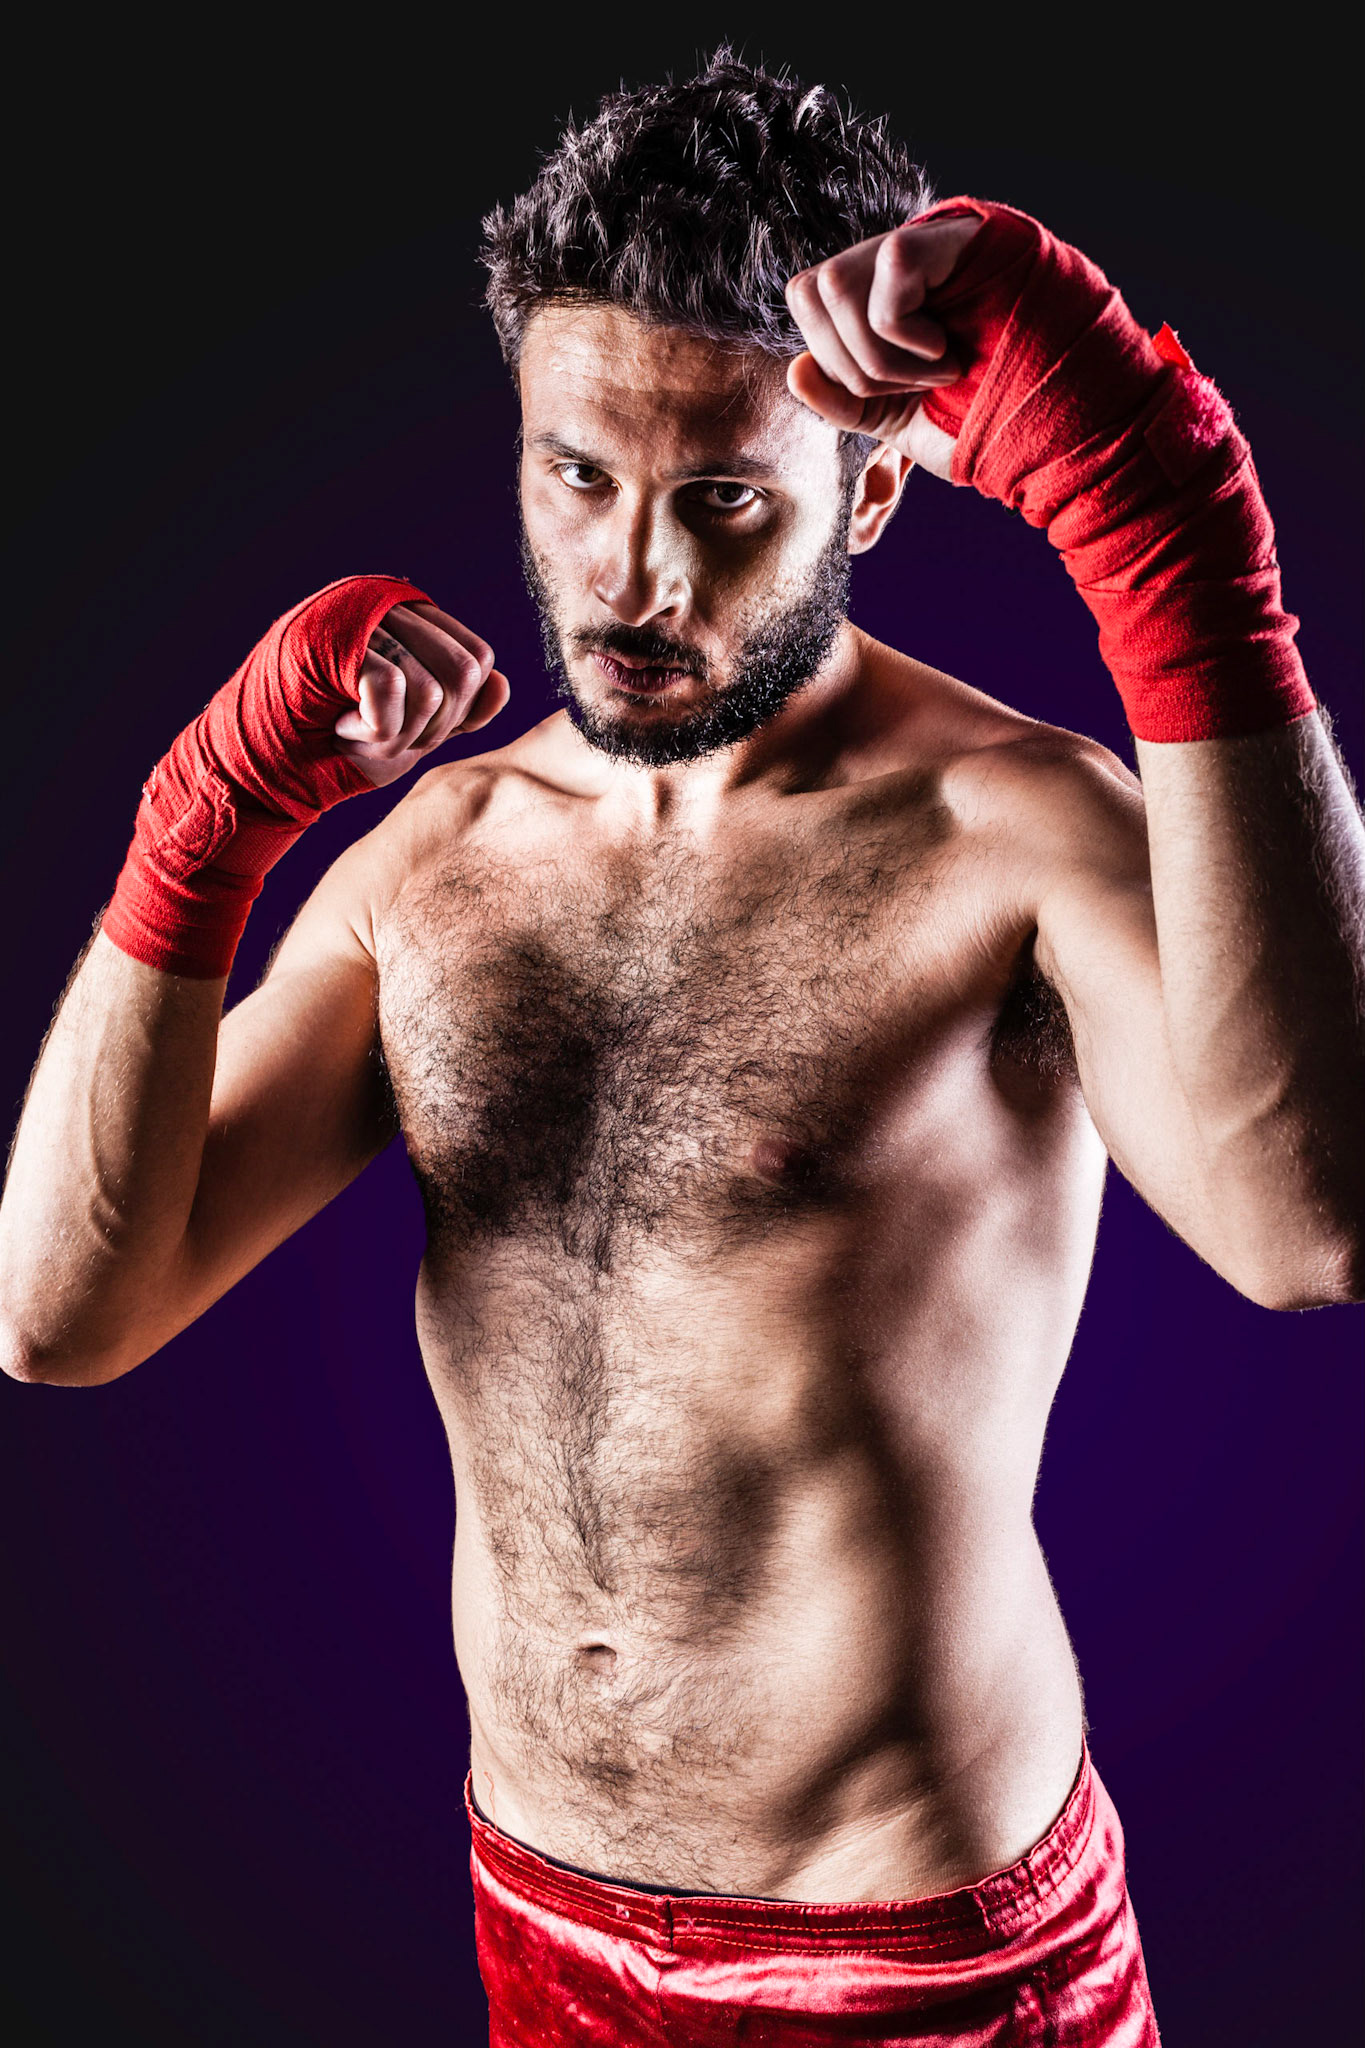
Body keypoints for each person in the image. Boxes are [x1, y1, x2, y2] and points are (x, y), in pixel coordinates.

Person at [2, 51, 1361, 2048]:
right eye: (577, 480)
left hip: (927, 1954)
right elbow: (57, 1309)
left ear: (872, 485)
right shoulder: (437, 861)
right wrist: (189, 838)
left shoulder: (1011, 833)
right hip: (538, 1913)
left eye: (722, 501)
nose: (631, 579)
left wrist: (1165, 542)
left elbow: (1310, 1221)